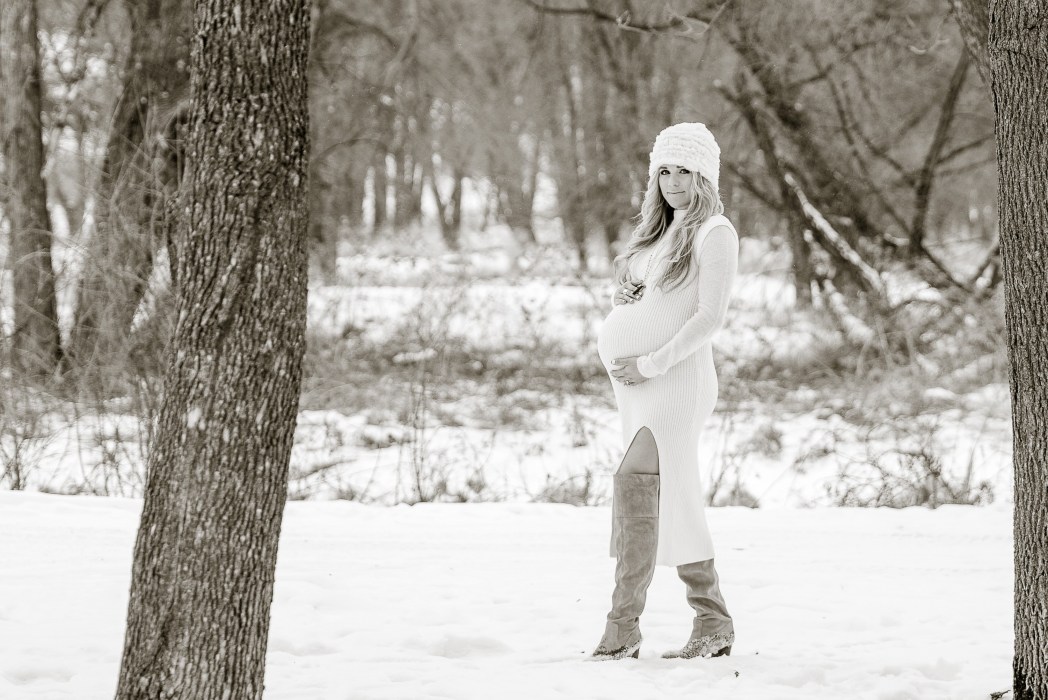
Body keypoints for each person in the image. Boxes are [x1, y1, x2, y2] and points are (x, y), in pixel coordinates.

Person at [592, 122, 739, 661]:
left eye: (685, 172)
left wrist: (651, 363)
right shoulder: (662, 231)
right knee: (668, 495)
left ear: (705, 177)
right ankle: (711, 621)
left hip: (674, 383)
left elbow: (709, 317)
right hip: (637, 387)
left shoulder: (714, 232)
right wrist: (627, 296)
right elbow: (654, 300)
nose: (673, 182)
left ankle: (623, 628)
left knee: (641, 488)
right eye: (665, 172)